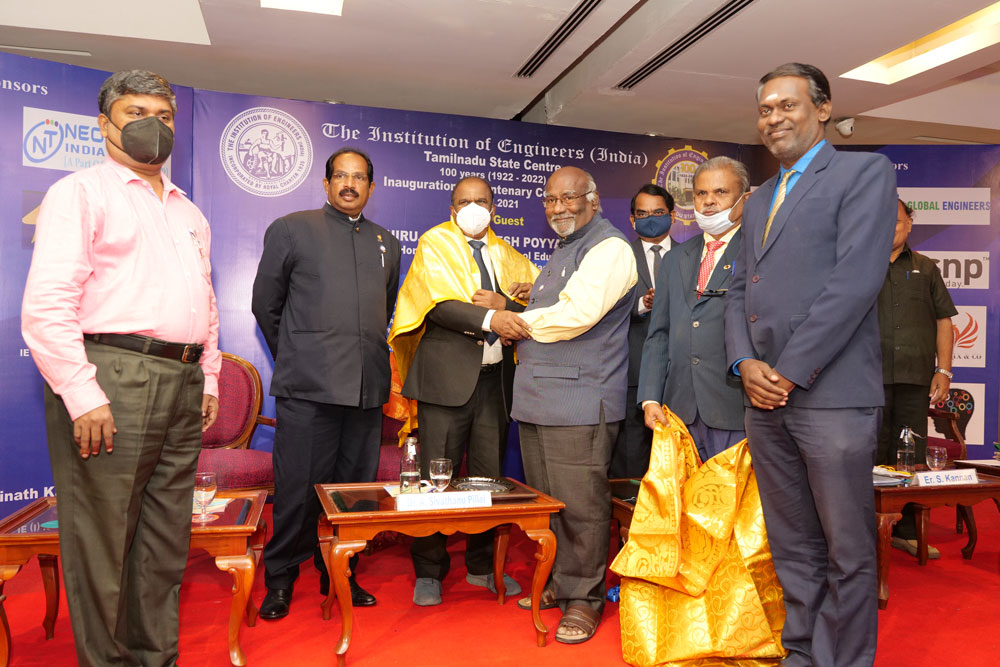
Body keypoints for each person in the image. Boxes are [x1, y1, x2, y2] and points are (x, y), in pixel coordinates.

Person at [21, 69, 221, 666]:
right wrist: (82, 394)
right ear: (104, 124)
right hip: (112, 376)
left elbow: (206, 304)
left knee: (164, 540)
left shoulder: (190, 212)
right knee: (102, 541)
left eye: (164, 116)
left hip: (183, 380)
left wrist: (208, 376)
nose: (152, 125)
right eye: (136, 113)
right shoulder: (81, 193)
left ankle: (154, 658)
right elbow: (48, 304)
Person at [724, 63, 896, 667]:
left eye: (787, 105)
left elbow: (855, 282)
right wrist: (744, 361)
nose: (773, 118)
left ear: (823, 109)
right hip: (763, 399)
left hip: (832, 395)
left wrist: (789, 371)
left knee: (847, 549)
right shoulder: (759, 201)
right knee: (793, 543)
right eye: (765, 109)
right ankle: (802, 652)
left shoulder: (864, 173)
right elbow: (738, 289)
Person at [251, 147, 401, 619]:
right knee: (297, 490)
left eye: (359, 177)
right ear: (326, 183)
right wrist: (298, 356)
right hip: (308, 388)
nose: (350, 184)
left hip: (365, 391)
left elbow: (385, 307)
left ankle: (340, 573)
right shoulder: (292, 229)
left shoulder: (386, 242)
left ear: (371, 187)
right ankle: (280, 579)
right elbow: (265, 305)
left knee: (354, 494)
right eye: (341, 176)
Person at [387, 176, 539, 606]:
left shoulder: (507, 254)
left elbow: (536, 303)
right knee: (436, 479)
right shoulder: (434, 243)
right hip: (445, 381)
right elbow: (437, 305)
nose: (474, 208)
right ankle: (429, 571)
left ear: (494, 208)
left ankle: (481, 566)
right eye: (464, 202)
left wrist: (510, 306)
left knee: (489, 481)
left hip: (495, 383)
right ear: (452, 209)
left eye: (481, 201)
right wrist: (493, 319)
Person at [512, 166, 638, 644]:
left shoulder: (609, 248)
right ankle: (562, 583)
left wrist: (511, 320)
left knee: (582, 508)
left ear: (593, 199)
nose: (558, 207)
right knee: (551, 503)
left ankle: (584, 599)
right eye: (550, 199)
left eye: (568, 198)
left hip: (579, 401)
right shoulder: (566, 247)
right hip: (540, 398)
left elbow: (578, 315)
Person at [640, 156, 748, 462]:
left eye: (720, 192)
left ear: (744, 199)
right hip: (679, 412)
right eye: (701, 193)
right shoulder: (675, 259)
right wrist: (650, 398)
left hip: (736, 409)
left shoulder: (758, 253)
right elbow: (659, 334)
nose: (709, 201)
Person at [877, 198, 957, 558]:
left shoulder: (926, 268)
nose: (887, 226)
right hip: (866, 379)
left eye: (895, 220)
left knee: (910, 455)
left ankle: (906, 532)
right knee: (869, 452)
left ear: (909, 223)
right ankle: (864, 531)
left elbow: (944, 321)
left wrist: (944, 370)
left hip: (914, 378)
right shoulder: (858, 265)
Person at [610, 184, 674, 478]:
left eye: (658, 212)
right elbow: (603, 311)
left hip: (680, 375)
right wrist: (642, 304)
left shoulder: (692, 255)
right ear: (632, 219)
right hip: (632, 374)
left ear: (672, 215)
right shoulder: (618, 257)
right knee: (631, 461)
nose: (651, 219)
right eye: (643, 213)